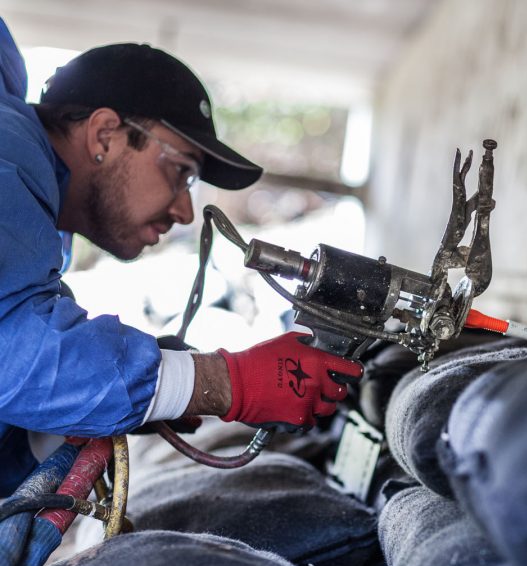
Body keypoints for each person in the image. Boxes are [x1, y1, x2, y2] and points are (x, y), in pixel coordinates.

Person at [0, 18, 362, 495]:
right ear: (105, 135)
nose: (187, 212)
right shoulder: (10, 155)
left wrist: (149, 394)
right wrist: (219, 380)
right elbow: (12, 350)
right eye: (182, 172)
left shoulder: (36, 219)